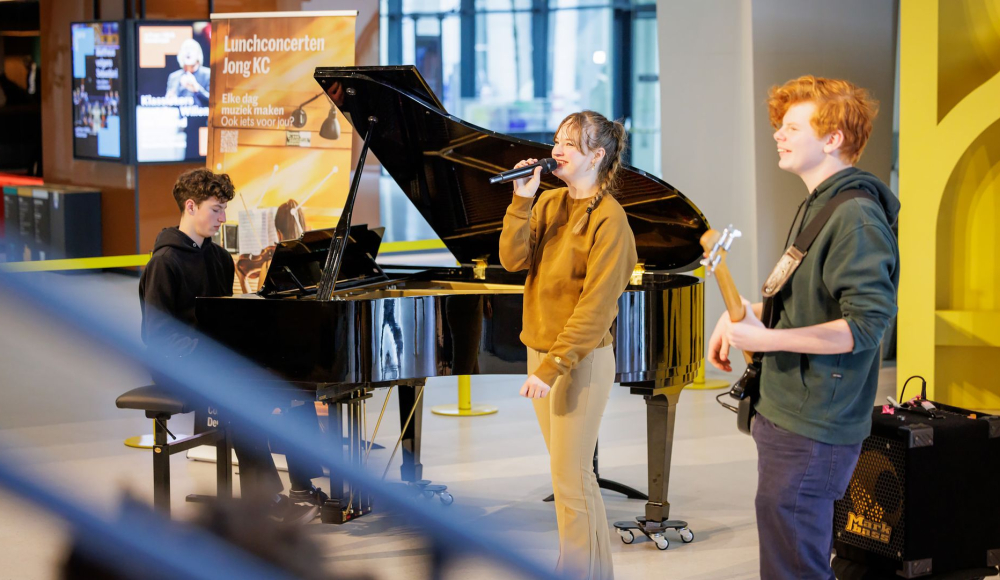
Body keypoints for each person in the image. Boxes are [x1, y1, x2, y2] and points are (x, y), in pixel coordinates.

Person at [707, 75, 900, 579]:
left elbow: (867, 325)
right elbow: (807, 301)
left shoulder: (855, 217)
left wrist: (766, 339)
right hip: (788, 409)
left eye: (792, 127)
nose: (778, 134)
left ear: (832, 138)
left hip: (814, 423)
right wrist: (745, 314)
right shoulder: (822, 203)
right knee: (788, 554)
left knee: (794, 567)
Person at [139, 168, 326, 525]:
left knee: (296, 380)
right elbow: (158, 335)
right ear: (190, 206)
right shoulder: (164, 262)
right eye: (216, 209)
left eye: (224, 209)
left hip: (215, 359)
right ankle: (266, 499)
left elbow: (226, 321)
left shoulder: (219, 258)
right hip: (176, 364)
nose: (223, 218)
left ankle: (302, 487)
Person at [499, 111, 637, 580]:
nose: (556, 151)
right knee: (574, 477)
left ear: (597, 156)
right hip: (542, 352)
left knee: (570, 479)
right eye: (557, 141)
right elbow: (512, 260)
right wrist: (521, 200)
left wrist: (552, 366)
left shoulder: (611, 220)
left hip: (581, 360)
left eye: (571, 145)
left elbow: (595, 309)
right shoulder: (548, 203)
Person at [165, 39, 210, 105]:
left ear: (198, 54)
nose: (188, 52)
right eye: (185, 49)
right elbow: (168, 103)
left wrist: (197, 89)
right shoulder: (174, 77)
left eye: (192, 49)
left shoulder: (208, 74)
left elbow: (214, 102)